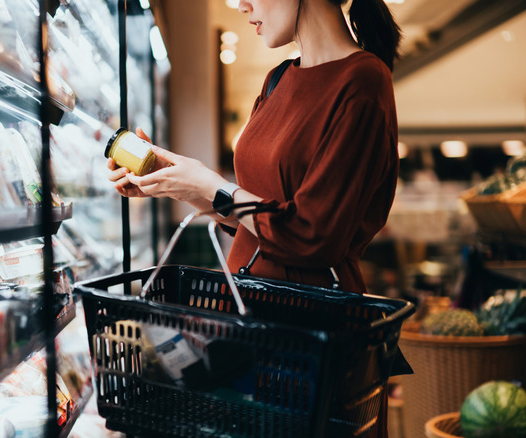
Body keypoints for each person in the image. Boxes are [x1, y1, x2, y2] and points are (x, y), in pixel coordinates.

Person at [108, 0, 401, 435]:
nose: (239, 4)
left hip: (309, 342)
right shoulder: (279, 78)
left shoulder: (362, 80)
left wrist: (211, 187)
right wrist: (175, 183)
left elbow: (312, 235)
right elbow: (262, 213)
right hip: (250, 326)